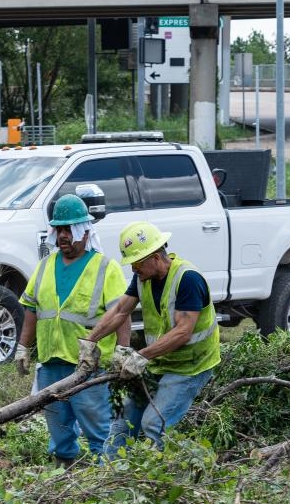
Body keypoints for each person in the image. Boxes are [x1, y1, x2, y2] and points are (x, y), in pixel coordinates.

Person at [80, 221, 220, 457]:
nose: (134, 269)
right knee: (123, 422)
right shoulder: (142, 278)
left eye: (137, 263)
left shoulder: (188, 279)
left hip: (190, 366)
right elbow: (120, 311)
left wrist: (140, 356)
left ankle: (160, 479)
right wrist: (90, 341)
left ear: (155, 257)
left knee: (154, 424)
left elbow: (183, 332)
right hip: (161, 362)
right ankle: (109, 475)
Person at [14, 194, 129, 466]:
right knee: (58, 425)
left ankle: (106, 473)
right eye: (60, 230)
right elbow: (32, 310)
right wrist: (23, 347)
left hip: (88, 364)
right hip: (52, 362)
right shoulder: (44, 267)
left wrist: (123, 350)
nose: (64, 236)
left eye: (69, 230)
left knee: (96, 424)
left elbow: (121, 313)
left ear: (84, 231)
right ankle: (64, 470)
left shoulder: (104, 267)